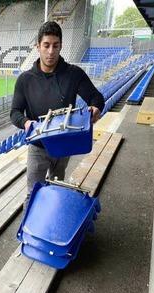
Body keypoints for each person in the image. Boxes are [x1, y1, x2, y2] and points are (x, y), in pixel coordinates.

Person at [10, 21, 105, 203]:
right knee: (33, 194)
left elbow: (96, 97)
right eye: (46, 45)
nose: (51, 51)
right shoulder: (25, 80)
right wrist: (26, 123)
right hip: (38, 147)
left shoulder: (73, 73)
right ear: (38, 46)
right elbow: (14, 112)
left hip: (63, 146)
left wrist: (95, 108)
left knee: (57, 189)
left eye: (55, 46)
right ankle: (28, 230)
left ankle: (52, 226)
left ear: (61, 46)